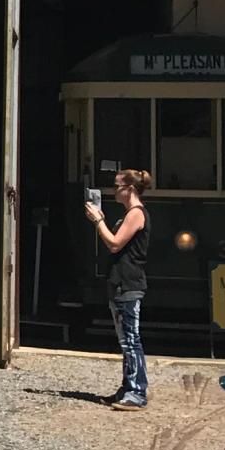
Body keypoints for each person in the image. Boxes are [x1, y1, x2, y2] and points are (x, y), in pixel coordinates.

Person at [84, 168, 152, 407]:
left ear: (130, 189)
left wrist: (98, 221)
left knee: (131, 339)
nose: (113, 190)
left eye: (117, 186)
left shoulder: (136, 214)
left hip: (128, 283)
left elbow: (114, 244)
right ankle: (128, 388)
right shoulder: (129, 214)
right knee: (126, 339)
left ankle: (137, 391)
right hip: (120, 282)